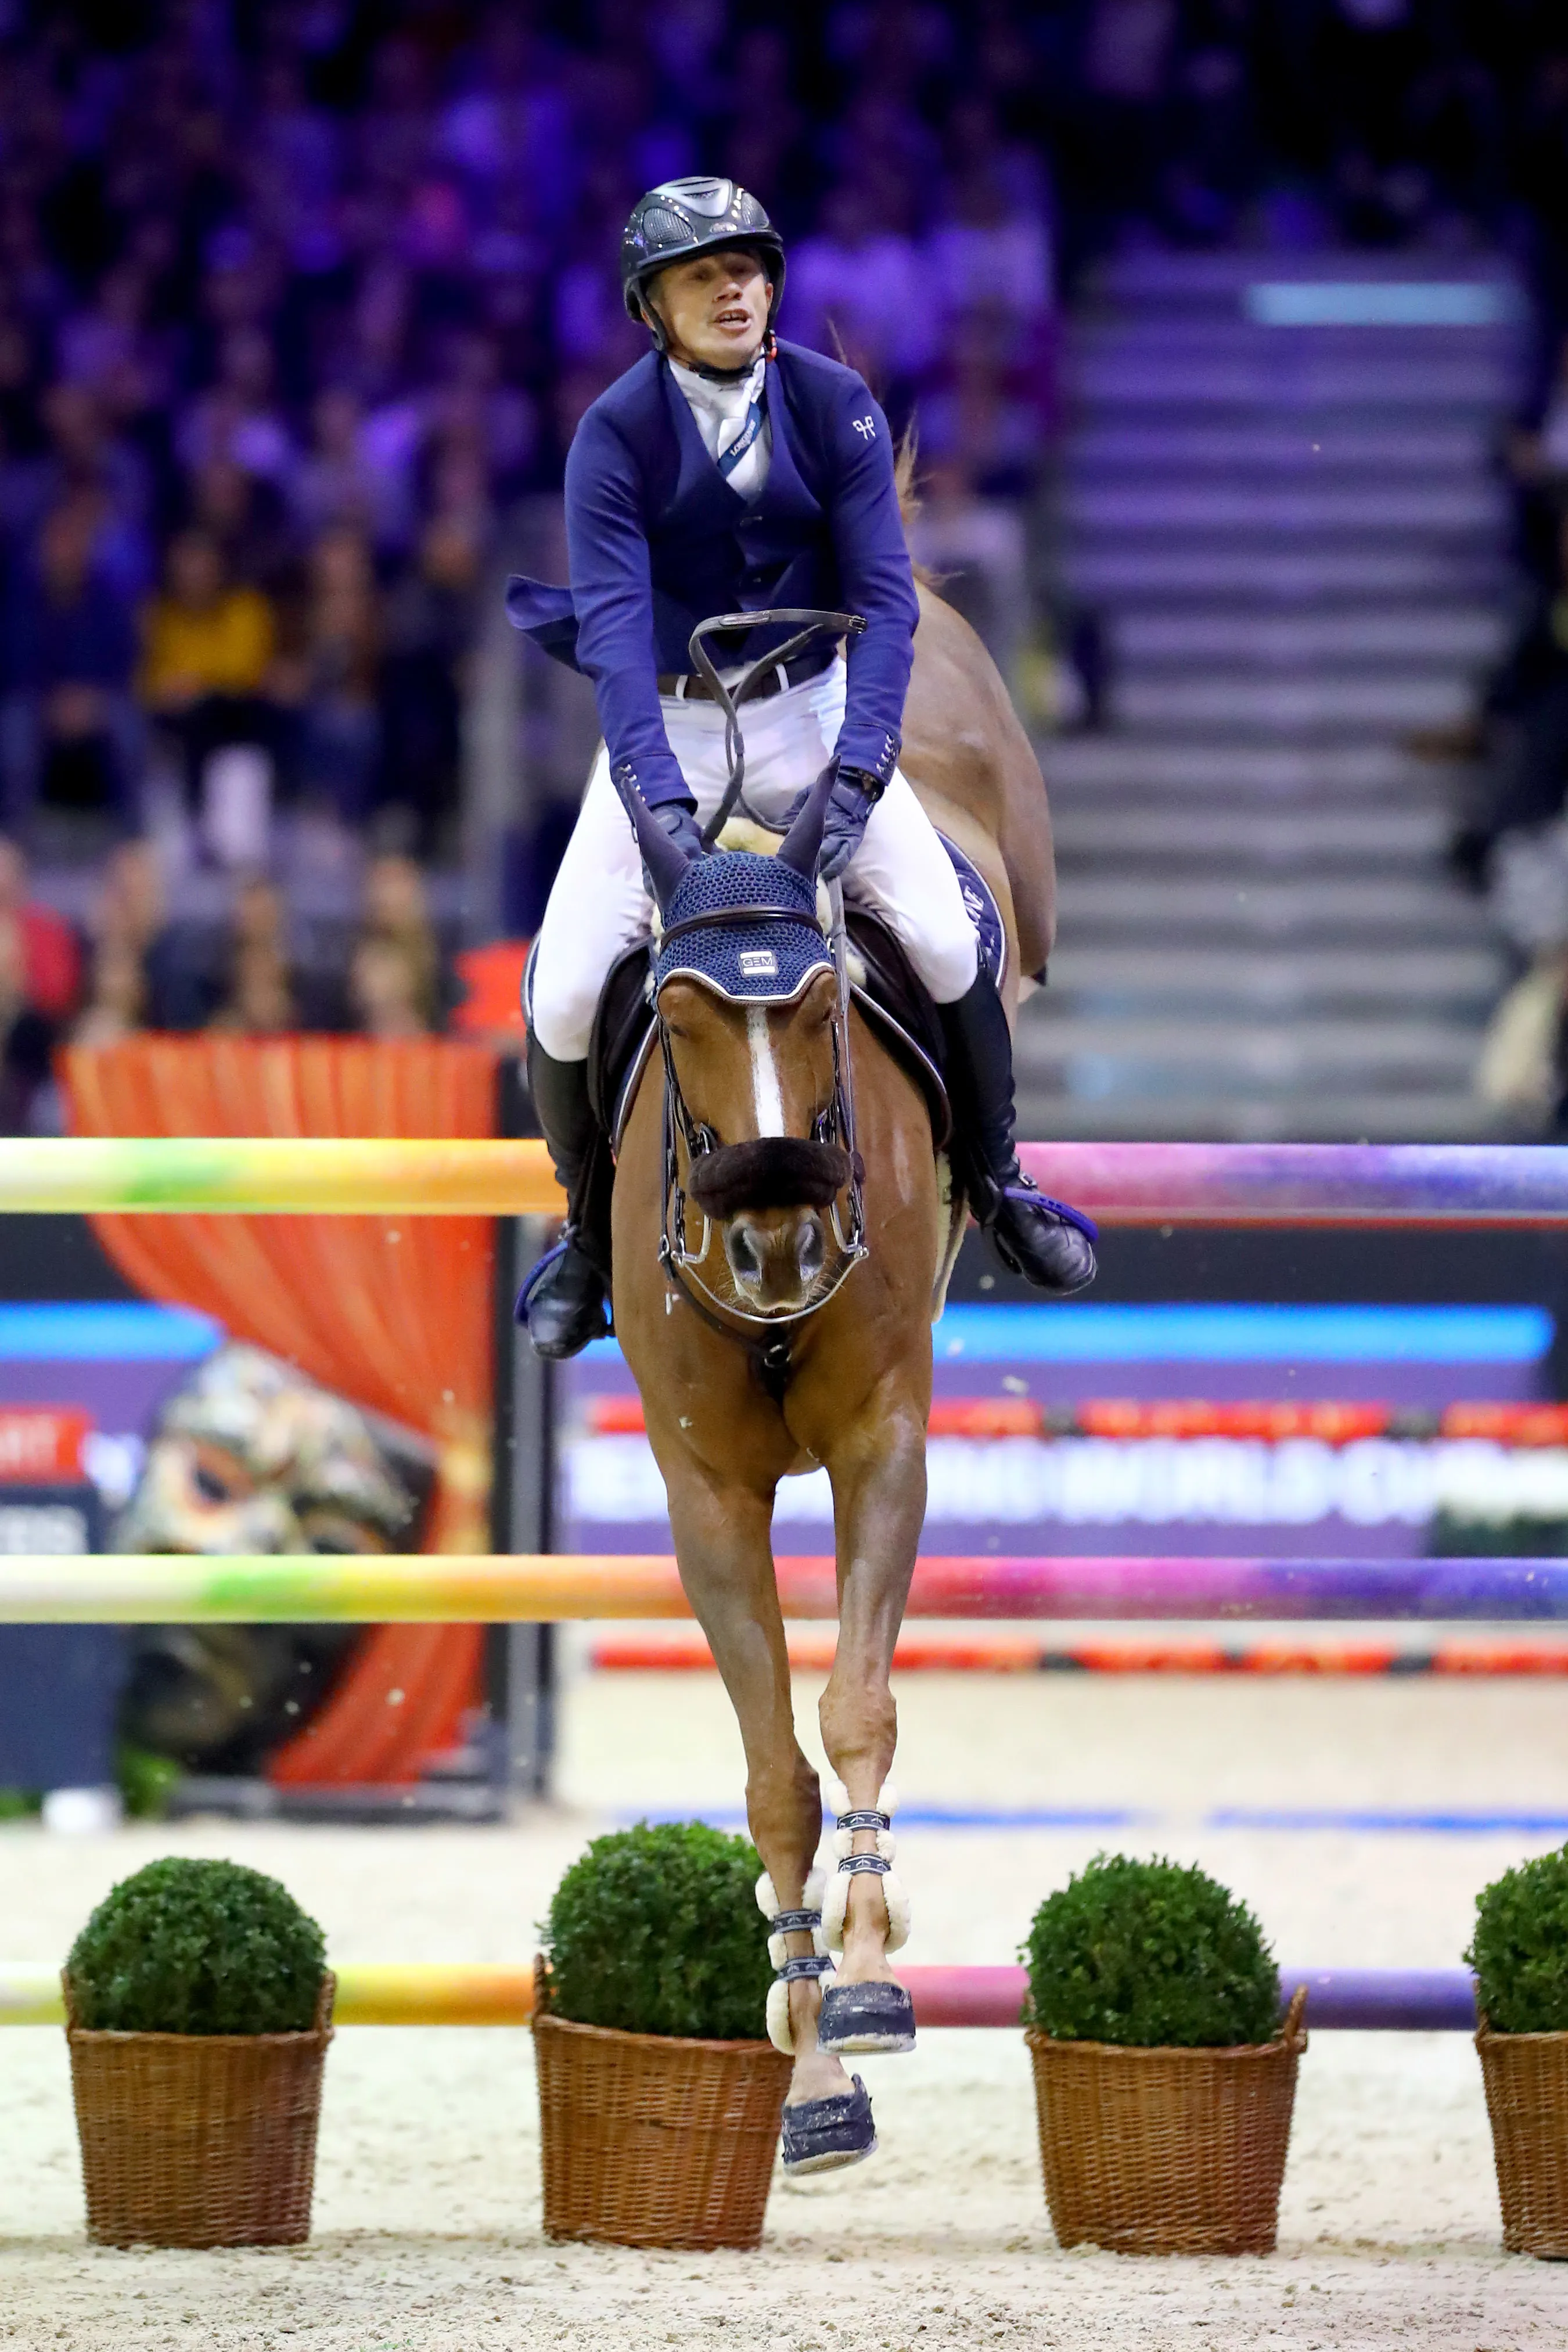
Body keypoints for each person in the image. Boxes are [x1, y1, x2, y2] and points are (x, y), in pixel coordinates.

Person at [507, 177, 1095, 1358]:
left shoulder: (837, 410)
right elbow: (616, 642)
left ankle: (1002, 1176)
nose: (732, 288)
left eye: (748, 267)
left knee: (945, 935)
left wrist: (866, 769)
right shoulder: (613, 438)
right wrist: (655, 808)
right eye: (700, 274)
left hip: (815, 718)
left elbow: (884, 604)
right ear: (652, 306)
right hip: (665, 735)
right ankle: (581, 1235)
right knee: (565, 987)